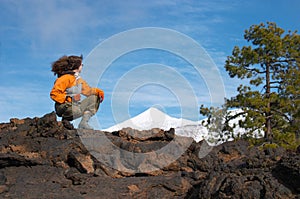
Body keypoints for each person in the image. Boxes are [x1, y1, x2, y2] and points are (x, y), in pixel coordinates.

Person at [50, 55, 104, 130]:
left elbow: (88, 91)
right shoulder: (65, 78)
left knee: (94, 99)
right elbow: (54, 93)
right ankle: (65, 120)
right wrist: (69, 97)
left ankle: (83, 123)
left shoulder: (78, 80)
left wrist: (98, 92)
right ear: (77, 65)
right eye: (81, 64)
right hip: (63, 106)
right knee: (76, 110)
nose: (82, 66)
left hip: (74, 106)